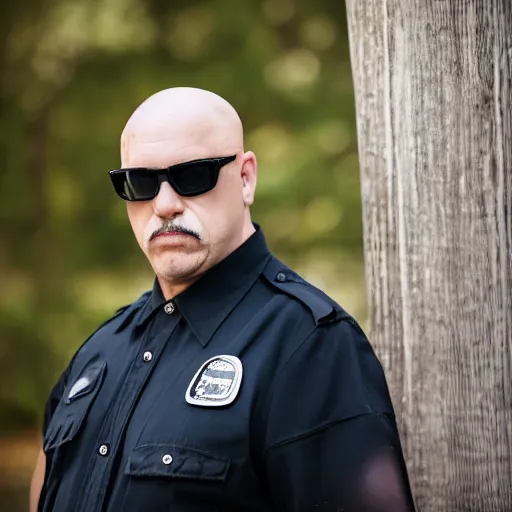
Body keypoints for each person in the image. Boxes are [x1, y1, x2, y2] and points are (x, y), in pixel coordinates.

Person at [30, 87, 416, 511]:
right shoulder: (97, 355)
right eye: (139, 182)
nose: (163, 204)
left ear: (246, 177)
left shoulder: (309, 347)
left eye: (193, 175)